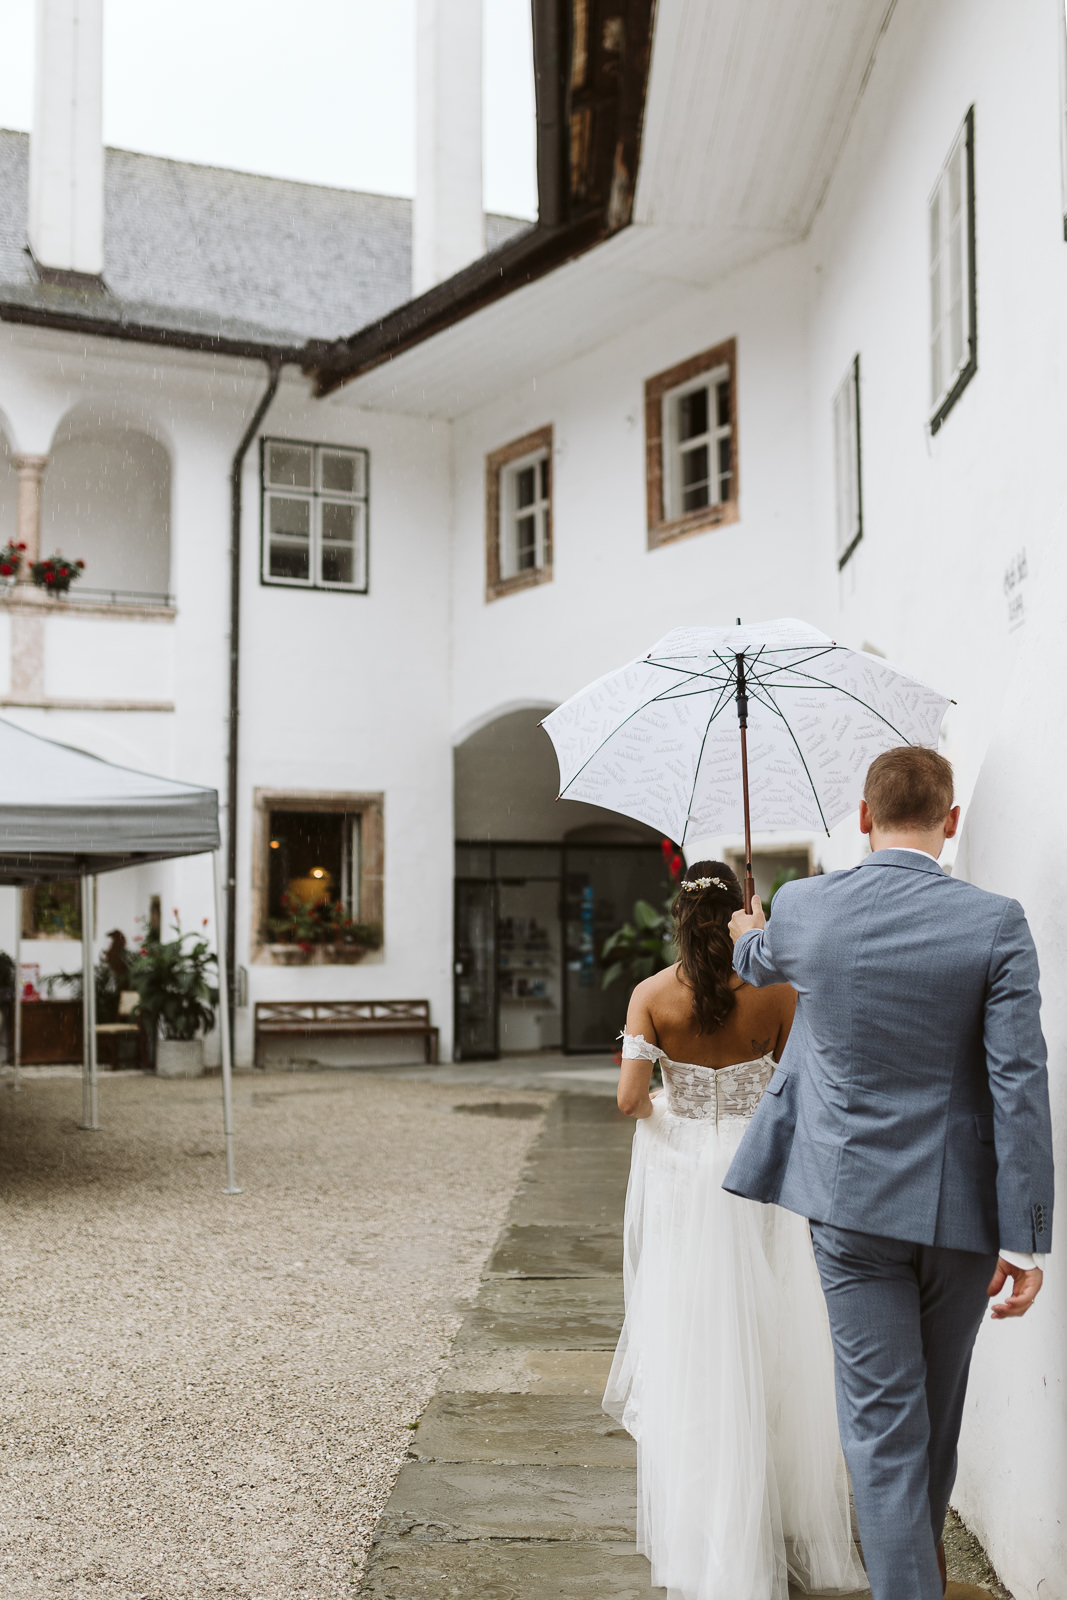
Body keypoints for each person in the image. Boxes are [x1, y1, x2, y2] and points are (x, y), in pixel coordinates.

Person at [726, 746, 1054, 1600]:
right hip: (960, 1215)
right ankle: (913, 1571)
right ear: (949, 823)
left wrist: (746, 930)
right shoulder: (995, 922)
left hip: (849, 1205)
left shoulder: (803, 906)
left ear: (862, 818)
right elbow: (1019, 1080)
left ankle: (905, 1578)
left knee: (883, 1429)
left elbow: (756, 966)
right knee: (933, 1422)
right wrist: (1025, 1239)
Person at [604, 860, 868, 1600]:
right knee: (768, 1329)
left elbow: (629, 1102)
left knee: (696, 1333)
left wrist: (676, 1119)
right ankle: (773, 1500)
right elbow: (805, 1084)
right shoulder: (780, 991)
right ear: (739, 912)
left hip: (690, 1176)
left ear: (679, 916)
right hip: (761, 1173)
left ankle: (710, 1523)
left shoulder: (649, 995)